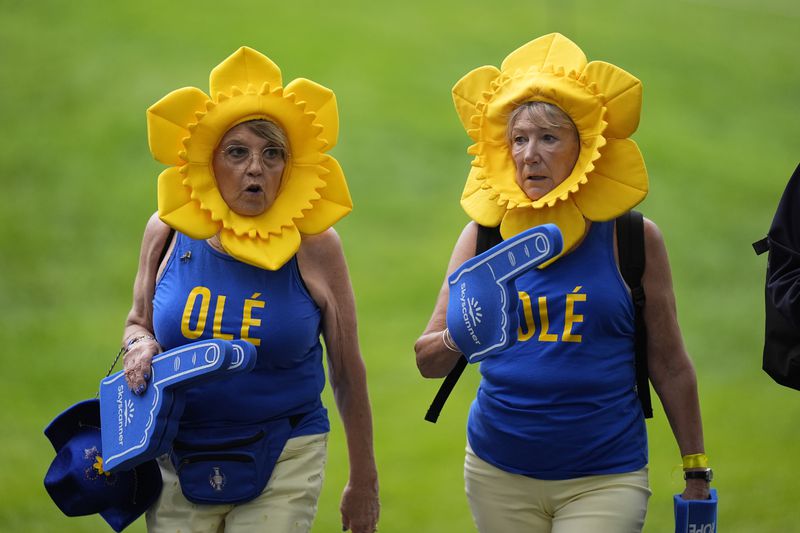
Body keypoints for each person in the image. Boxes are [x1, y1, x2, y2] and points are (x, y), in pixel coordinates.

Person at [415, 33, 711, 532]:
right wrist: (463, 332)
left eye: (549, 138)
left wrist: (696, 467)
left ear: (585, 148)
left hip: (606, 475)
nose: (530, 154)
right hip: (496, 472)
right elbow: (428, 361)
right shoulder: (483, 234)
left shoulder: (633, 239)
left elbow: (669, 361)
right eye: (519, 139)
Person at [121, 47, 379, 533]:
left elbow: (346, 369)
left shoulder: (316, 247)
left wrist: (363, 479)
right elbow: (138, 321)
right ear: (208, 162)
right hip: (177, 450)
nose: (255, 168)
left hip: (287, 447)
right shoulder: (168, 230)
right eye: (237, 152)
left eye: (272, 153)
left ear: (292, 166)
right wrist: (139, 345)